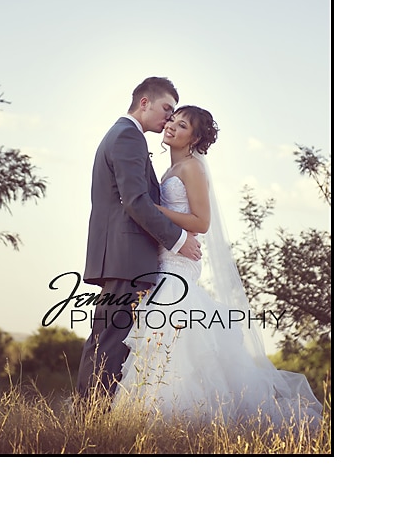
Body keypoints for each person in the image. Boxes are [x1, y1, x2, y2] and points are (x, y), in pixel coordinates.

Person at [112, 105, 323, 429]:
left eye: (182, 125)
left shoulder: (193, 168)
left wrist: (153, 209)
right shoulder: (171, 170)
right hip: (163, 262)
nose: (171, 126)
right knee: (163, 341)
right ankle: (155, 421)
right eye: (172, 120)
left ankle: (174, 420)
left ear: (195, 139)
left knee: (171, 338)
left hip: (179, 265)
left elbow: (202, 222)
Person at [76, 77, 203, 399]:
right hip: (126, 257)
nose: (169, 118)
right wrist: (179, 241)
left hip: (121, 256)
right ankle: (92, 413)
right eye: (166, 109)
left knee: (106, 339)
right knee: (110, 341)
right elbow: (135, 201)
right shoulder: (128, 137)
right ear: (144, 103)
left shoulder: (123, 134)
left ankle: (90, 412)